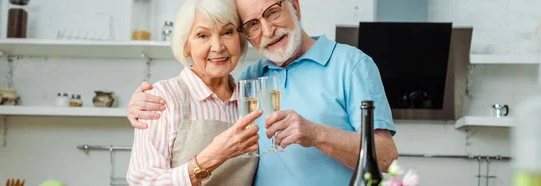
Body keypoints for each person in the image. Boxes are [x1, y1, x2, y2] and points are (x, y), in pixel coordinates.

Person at [127, 0, 399, 185]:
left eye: (272, 12)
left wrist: (317, 134)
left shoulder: (351, 65)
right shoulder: (249, 81)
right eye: (253, 24)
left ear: (294, 6)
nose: (268, 30)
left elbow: (386, 158)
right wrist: (139, 104)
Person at [125, 0, 263, 185]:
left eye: (227, 32)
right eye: (202, 35)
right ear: (186, 45)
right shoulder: (163, 97)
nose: (218, 46)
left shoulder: (250, 101)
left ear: (240, 38)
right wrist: (211, 157)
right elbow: (142, 181)